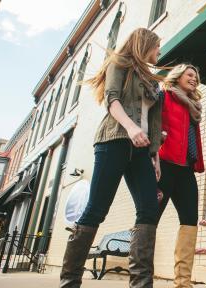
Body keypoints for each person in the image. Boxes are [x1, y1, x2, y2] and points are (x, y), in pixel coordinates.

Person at [59, 28, 162, 288]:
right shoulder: (120, 62)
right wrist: (130, 127)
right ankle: (69, 281)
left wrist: (155, 157)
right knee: (96, 209)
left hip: (142, 150)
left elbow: (152, 121)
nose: (159, 51)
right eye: (157, 46)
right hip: (113, 141)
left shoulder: (153, 82)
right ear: (145, 44)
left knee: (149, 209)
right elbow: (111, 100)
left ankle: (141, 284)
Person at [156, 64, 204, 288]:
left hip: (185, 169)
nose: (194, 79)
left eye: (196, 76)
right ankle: (142, 280)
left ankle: (183, 283)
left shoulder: (194, 107)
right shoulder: (165, 96)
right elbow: (155, 126)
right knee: (150, 218)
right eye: (190, 75)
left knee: (189, 221)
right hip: (164, 165)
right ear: (178, 77)